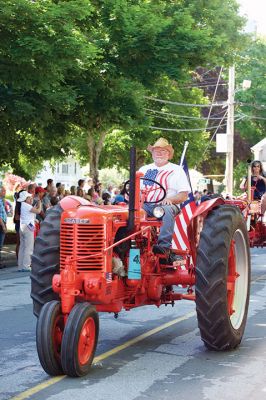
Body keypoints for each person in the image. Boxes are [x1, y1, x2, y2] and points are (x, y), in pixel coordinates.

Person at [139, 138, 190, 264]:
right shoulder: (145, 170)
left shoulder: (176, 170)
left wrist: (170, 199)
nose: (159, 153)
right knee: (128, 212)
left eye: (163, 151)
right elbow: (137, 189)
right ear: (152, 153)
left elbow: (183, 195)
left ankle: (163, 247)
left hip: (167, 205)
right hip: (146, 205)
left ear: (168, 154)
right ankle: (132, 244)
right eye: (156, 150)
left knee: (166, 210)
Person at [17, 191, 42, 272]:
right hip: (28, 227)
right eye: (29, 198)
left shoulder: (23, 205)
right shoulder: (27, 206)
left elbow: (28, 215)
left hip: (23, 226)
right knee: (29, 247)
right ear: (25, 199)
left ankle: (21, 266)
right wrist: (40, 203)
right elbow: (38, 211)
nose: (31, 199)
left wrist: (34, 219)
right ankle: (26, 266)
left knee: (23, 247)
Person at [0, 187, 7, 269]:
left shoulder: (2, 201)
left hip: (2, 223)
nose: (5, 192)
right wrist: (3, 226)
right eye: (3, 191)